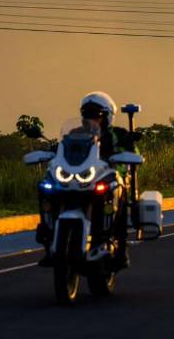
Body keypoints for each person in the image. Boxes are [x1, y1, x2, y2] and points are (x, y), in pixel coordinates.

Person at [39, 92, 137, 268]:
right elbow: (63, 147)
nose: (91, 119)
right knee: (47, 188)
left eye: (96, 116)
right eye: (87, 115)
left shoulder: (119, 135)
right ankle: (48, 235)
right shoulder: (75, 133)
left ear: (107, 117)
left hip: (109, 174)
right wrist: (51, 152)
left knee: (119, 194)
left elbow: (133, 154)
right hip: (80, 176)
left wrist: (122, 158)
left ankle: (121, 250)